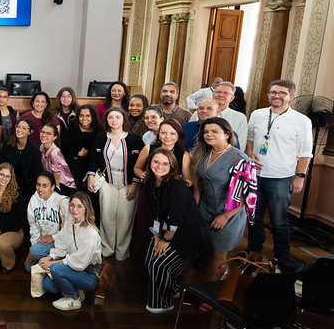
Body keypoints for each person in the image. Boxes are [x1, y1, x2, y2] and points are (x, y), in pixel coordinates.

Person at [244, 79, 312, 264]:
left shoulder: (302, 121)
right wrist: (250, 153)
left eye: (282, 93)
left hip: (281, 178)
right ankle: (253, 248)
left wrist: (299, 177)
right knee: (254, 216)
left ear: (291, 96)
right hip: (254, 176)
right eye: (273, 92)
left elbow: (306, 153)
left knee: (279, 220)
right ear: (268, 95)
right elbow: (249, 139)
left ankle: (282, 254)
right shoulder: (257, 114)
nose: (277, 96)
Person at [143, 148, 208, 313]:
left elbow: (175, 218)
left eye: (165, 163)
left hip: (187, 235)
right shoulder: (150, 182)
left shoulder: (177, 185)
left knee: (158, 263)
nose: (159, 166)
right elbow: (153, 214)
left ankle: (162, 303)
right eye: (156, 162)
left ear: (172, 166)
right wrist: (157, 238)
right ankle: (172, 290)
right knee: (150, 260)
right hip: (166, 231)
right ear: (149, 163)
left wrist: (165, 241)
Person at [191, 117, 256, 281]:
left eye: (214, 131)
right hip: (205, 208)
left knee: (219, 254)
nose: (208, 135)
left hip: (229, 212)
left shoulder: (240, 159)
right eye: (206, 132)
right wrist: (195, 207)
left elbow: (246, 195)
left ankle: (211, 294)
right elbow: (198, 183)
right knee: (206, 250)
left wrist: (226, 216)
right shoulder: (203, 152)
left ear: (227, 134)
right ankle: (205, 284)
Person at [87, 106, 144, 261]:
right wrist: (91, 176)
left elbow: (142, 164)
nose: (114, 120)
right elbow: (93, 158)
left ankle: (122, 251)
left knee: (125, 217)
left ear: (123, 119)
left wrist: (135, 184)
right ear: (106, 120)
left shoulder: (135, 139)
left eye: (117, 117)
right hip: (107, 181)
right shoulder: (100, 137)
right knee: (107, 215)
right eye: (110, 117)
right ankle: (107, 247)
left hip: (129, 182)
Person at [33, 192, 102, 312]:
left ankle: (74, 298)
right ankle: (77, 287)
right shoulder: (70, 222)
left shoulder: (91, 233)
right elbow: (62, 243)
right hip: (74, 266)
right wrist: (50, 257)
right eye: (72, 205)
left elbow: (79, 262)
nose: (74, 209)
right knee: (47, 286)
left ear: (86, 209)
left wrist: (54, 263)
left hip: (89, 272)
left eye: (79, 206)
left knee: (55, 269)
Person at [24, 171, 68, 270]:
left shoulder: (63, 202)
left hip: (61, 241)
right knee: (29, 267)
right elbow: (34, 227)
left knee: (36, 253)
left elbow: (70, 229)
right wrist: (32, 250)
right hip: (45, 242)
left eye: (45, 186)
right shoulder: (34, 200)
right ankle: (51, 267)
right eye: (38, 185)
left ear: (52, 187)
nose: (40, 189)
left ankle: (55, 264)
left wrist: (54, 237)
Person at [188, 81, 247, 148]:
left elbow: (241, 143)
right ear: (213, 95)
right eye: (218, 92)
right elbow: (189, 132)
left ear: (232, 98)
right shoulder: (199, 113)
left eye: (226, 93)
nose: (221, 95)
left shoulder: (240, 118)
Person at [0, 119, 43, 200]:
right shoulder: (7, 144)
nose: (19, 130)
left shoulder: (35, 151)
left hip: (27, 190)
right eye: (18, 127)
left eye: (24, 128)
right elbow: (1, 165)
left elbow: (37, 173)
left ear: (30, 132)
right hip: (7, 185)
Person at [134, 120, 192, 185]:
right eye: (163, 133)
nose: (167, 136)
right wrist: (142, 175)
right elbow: (137, 168)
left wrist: (176, 187)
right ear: (159, 134)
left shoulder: (184, 154)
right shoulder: (148, 149)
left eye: (172, 133)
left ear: (178, 136)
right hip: (150, 189)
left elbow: (188, 180)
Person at [63, 105, 101, 195]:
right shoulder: (72, 127)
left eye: (88, 116)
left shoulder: (99, 130)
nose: (84, 118)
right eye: (81, 115)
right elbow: (64, 148)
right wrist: (77, 153)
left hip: (92, 166)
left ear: (92, 117)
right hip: (74, 165)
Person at [39, 123, 76, 194]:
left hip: (64, 185)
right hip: (50, 181)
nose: (43, 135)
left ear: (54, 137)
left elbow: (57, 177)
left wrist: (56, 192)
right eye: (42, 132)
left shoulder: (55, 152)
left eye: (48, 133)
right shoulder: (41, 147)